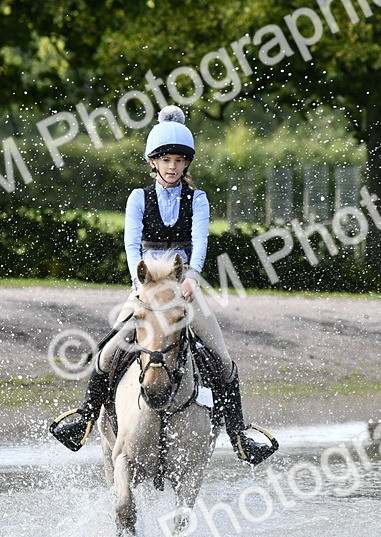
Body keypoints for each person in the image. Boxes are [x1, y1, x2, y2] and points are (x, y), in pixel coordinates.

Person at [50, 105, 277, 465]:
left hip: (184, 291)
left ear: (187, 164)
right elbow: (130, 244)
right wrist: (139, 285)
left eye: (178, 160)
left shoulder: (197, 199)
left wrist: (191, 277)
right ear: (152, 162)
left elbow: (200, 242)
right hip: (145, 289)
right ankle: (85, 417)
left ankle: (239, 435)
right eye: (165, 159)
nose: (172, 166)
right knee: (108, 351)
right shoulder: (138, 198)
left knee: (222, 359)